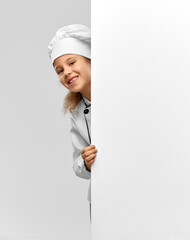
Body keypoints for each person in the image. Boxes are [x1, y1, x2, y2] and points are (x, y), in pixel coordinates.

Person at [47, 24, 97, 222]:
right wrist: (86, 162)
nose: (66, 72)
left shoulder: (118, 97)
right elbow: (77, 166)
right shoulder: (76, 112)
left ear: (91, 61)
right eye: (59, 70)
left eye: (72, 62)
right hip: (100, 197)